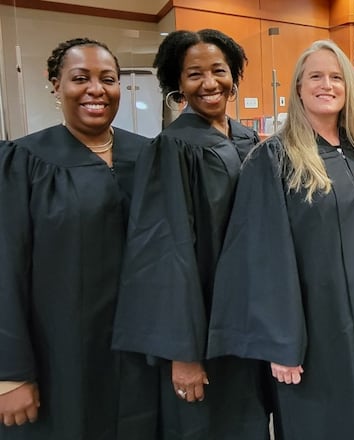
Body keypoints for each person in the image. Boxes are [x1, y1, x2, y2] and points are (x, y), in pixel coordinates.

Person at [206, 39, 354, 440]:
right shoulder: (275, 159)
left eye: (336, 77)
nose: (326, 84)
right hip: (315, 332)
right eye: (315, 76)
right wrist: (280, 342)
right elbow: (262, 255)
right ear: (298, 87)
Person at [111, 29, 269, 439]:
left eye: (219, 70)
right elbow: (166, 252)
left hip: (249, 322)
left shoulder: (247, 139)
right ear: (176, 83)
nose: (209, 82)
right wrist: (182, 353)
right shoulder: (171, 147)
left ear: (234, 74)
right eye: (194, 74)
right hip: (202, 326)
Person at [0, 38, 157, 439]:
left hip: (142, 353)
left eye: (108, 79)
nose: (96, 89)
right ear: (55, 84)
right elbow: (5, 266)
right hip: (59, 352)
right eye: (80, 78)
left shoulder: (149, 156)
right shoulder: (23, 161)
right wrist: (10, 372)